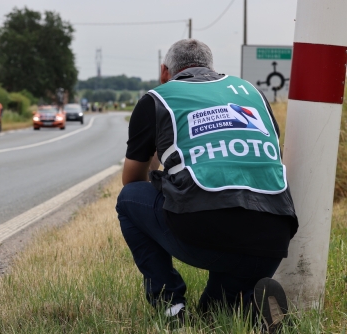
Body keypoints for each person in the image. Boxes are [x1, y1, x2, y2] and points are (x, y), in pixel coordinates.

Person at [115, 39, 298, 331]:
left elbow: (133, 179)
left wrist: (156, 154)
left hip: (206, 231)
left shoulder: (158, 98)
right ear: (212, 68)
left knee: (129, 199)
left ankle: (171, 307)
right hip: (273, 237)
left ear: (165, 72)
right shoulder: (253, 94)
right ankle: (253, 313)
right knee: (212, 319)